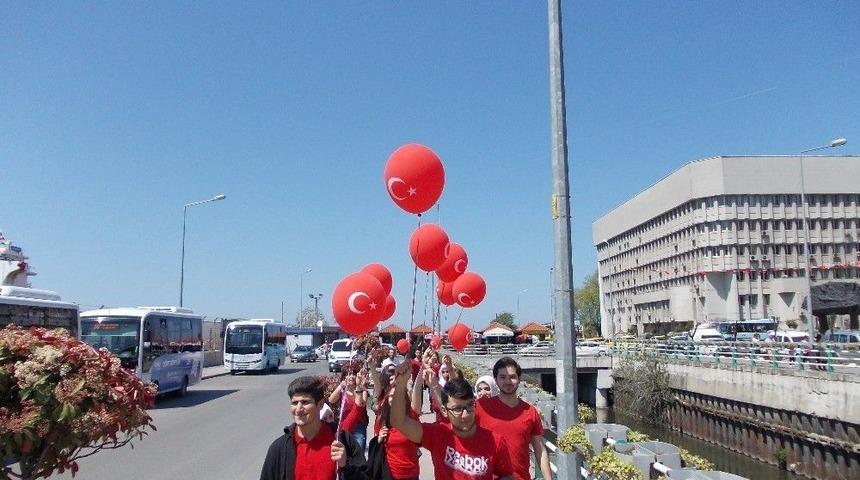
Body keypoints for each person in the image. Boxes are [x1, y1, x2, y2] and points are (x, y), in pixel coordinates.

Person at [390, 363, 513, 480]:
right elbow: (399, 422)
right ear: (444, 410)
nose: (465, 415)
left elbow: (507, 475)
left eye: (469, 406)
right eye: (457, 409)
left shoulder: (495, 441)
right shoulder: (437, 435)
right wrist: (400, 385)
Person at [260, 376, 369, 480]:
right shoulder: (280, 448)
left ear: (321, 404)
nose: (298, 409)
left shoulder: (342, 441)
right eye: (294, 403)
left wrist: (345, 466)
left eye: (305, 402)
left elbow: (365, 476)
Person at [476, 357, 551, 480]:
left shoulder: (530, 412)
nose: (508, 381)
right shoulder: (481, 407)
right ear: (496, 380)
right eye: (502, 377)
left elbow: (540, 450)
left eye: (512, 377)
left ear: (519, 379)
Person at [372, 365, 424, 480]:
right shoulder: (383, 419)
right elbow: (376, 441)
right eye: (391, 396)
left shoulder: (411, 416)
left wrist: (422, 368)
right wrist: (379, 438)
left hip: (411, 474)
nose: (393, 398)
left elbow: (416, 389)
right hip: (390, 474)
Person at [329, 369, 369, 451]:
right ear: (344, 377)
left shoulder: (362, 389)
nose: (351, 376)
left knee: (359, 450)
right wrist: (340, 386)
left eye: (353, 374)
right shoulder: (342, 390)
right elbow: (331, 400)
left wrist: (357, 387)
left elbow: (362, 404)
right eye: (349, 374)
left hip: (359, 426)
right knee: (344, 451)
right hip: (344, 425)